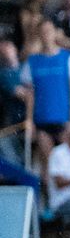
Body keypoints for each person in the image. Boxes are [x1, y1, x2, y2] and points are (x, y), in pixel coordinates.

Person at [23, 18, 70, 166]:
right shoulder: (32, 61)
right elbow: (30, 94)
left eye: (48, 31)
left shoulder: (68, 57)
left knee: (67, 164)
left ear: (55, 33)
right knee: (48, 164)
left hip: (63, 118)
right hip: (42, 120)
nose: (46, 34)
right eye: (42, 32)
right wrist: (29, 120)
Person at [0, 39, 30, 168]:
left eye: (8, 46)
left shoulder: (26, 67)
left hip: (31, 121)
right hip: (12, 124)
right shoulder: (3, 74)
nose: (5, 50)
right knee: (15, 163)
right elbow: (25, 95)